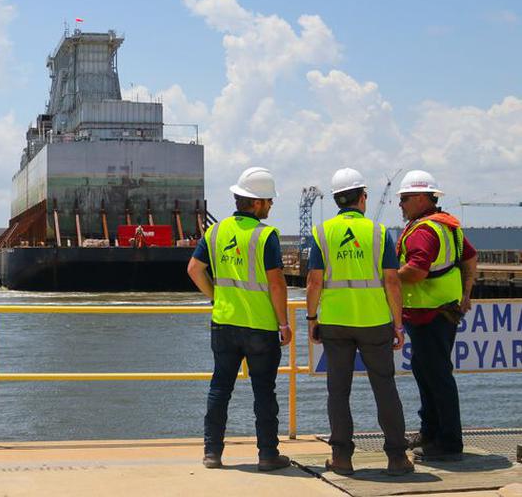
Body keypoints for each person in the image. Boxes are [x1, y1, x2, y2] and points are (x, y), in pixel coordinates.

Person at [306, 168, 413, 476]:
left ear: (338, 199)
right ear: (363, 197)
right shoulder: (379, 233)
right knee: (385, 388)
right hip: (375, 322)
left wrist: (312, 319)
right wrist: (397, 323)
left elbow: (314, 282)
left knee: (338, 391)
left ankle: (341, 458)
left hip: (336, 324)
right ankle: (396, 458)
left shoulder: (322, 233)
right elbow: (392, 282)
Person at [187, 166, 291, 472]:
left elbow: (194, 269)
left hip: (224, 324)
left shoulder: (215, 231)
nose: (271, 205)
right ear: (256, 203)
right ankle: (268, 455)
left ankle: (212, 454)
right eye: (268, 200)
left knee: (220, 389)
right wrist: (283, 323)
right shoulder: (265, 236)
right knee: (263, 392)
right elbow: (276, 284)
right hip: (259, 327)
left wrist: (216, 297)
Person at [396, 170, 477, 462]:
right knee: (428, 372)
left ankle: (448, 441)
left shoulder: (423, 231)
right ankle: (430, 431)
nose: (401, 205)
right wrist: (466, 294)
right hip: (442, 312)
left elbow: (417, 271)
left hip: (429, 314)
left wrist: (387, 277)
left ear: (420, 198)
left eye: (404, 199)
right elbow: (470, 256)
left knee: (436, 376)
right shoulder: (447, 226)